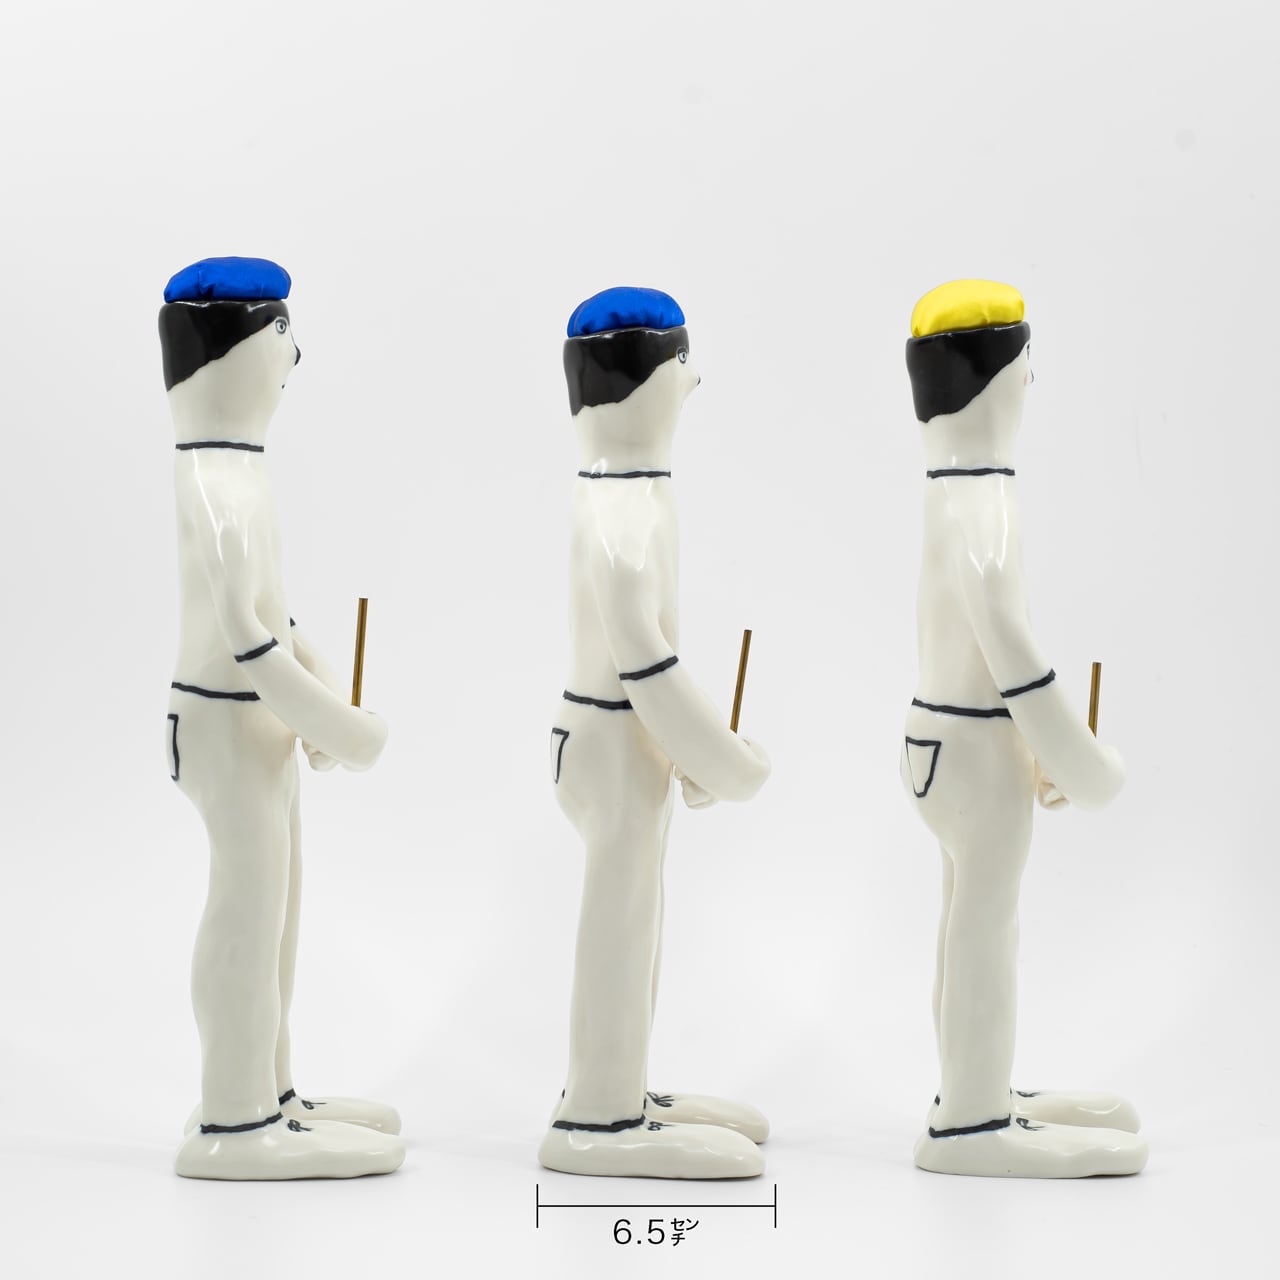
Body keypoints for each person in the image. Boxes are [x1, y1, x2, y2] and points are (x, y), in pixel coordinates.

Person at [161, 256, 402, 1179]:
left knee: (278, 908)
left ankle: (269, 1088)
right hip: (228, 725)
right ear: (233, 352)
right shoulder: (217, 482)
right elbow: (250, 640)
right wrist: (340, 727)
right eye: (282, 335)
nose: (296, 357)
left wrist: (323, 695)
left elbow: (275, 620)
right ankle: (234, 1117)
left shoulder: (235, 472)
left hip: (252, 724)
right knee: (248, 907)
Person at [901, 279, 1147, 1177]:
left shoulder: (949, 490)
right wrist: (1081, 760)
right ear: (1000, 376)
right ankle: (973, 1123)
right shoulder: (985, 501)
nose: (1034, 380)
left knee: (966, 917)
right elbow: (1009, 646)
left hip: (938, 738)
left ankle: (974, 1089)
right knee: (986, 925)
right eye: (1027, 360)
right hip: (976, 747)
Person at [540, 287, 771, 1178]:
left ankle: (620, 1086)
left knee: (636, 913)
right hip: (613, 738)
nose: (695, 381)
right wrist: (723, 759)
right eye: (684, 364)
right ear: (649, 381)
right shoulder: (623, 509)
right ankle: (598, 1116)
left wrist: (690, 748)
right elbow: (644, 661)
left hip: (616, 737)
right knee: (622, 917)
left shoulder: (623, 493)